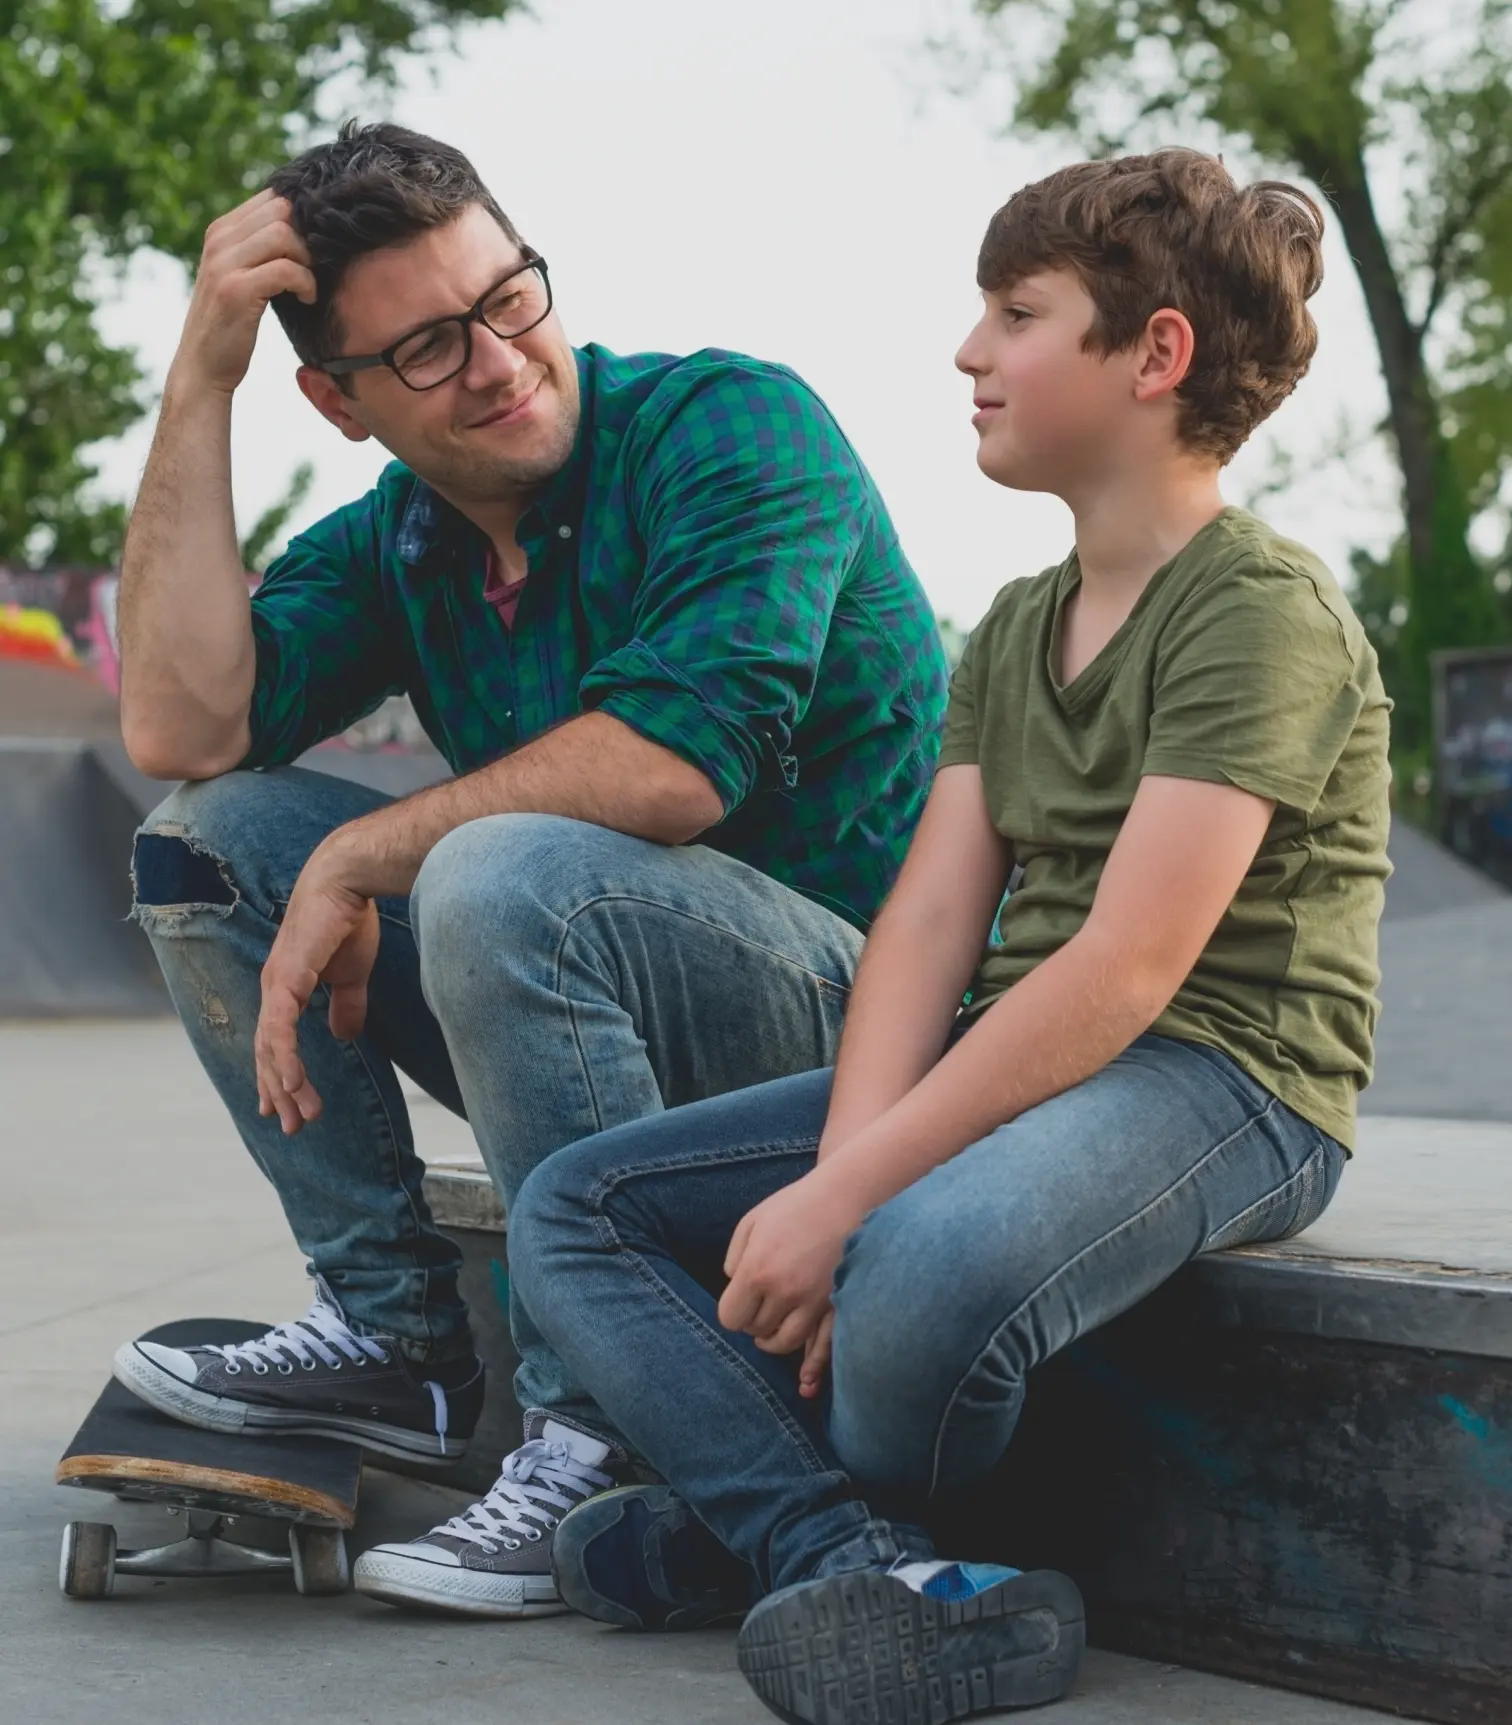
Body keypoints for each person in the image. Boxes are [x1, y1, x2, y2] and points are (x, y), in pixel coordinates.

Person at [504, 149, 1393, 1723]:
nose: (969, 351)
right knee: (581, 1208)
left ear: (1154, 353)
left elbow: (1130, 966)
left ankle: (781, 1538)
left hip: (1229, 1077)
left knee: (912, 1274)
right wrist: (848, 1165)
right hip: (1025, 1047)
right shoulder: (1017, 625)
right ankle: (846, 1549)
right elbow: (927, 921)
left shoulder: (1260, 609)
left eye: (1015, 312)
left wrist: (855, 1201)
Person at [108, 120, 948, 1617]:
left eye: (512, 298)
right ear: (341, 401)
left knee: (495, 864)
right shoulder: (399, 543)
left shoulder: (729, 427)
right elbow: (181, 721)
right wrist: (201, 378)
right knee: (209, 841)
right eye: (429, 348)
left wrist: (366, 854)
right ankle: (395, 1344)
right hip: (590, 1011)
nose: (500, 362)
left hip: (872, 1041)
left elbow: (673, 767)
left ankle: (604, 1429)